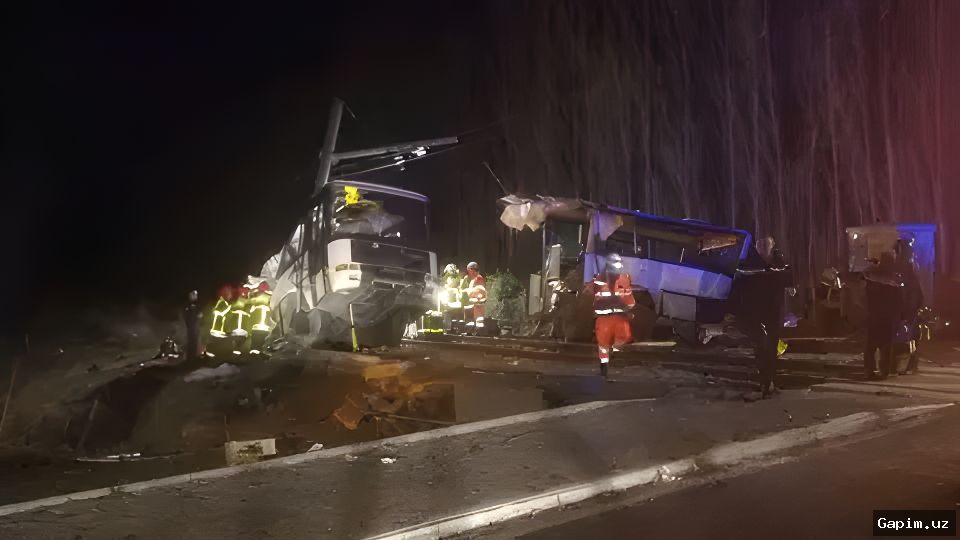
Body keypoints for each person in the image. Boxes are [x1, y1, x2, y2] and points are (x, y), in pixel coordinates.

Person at [733, 235, 793, 398]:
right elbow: (740, 282)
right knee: (762, 346)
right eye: (761, 246)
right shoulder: (750, 263)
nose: (764, 249)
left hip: (772, 311)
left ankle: (769, 382)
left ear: (771, 247)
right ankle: (765, 382)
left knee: (770, 348)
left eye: (767, 246)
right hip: (755, 311)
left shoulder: (778, 263)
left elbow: (789, 279)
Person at [588, 253, 635, 377]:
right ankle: (614, 358)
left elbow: (592, 294)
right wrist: (628, 309)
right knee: (622, 338)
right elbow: (630, 301)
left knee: (603, 344)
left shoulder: (599, 279)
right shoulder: (624, 278)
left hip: (604, 319)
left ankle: (605, 365)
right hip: (619, 318)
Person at [863, 251, 902, 379]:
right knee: (885, 345)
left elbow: (867, 295)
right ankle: (883, 370)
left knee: (871, 345)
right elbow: (898, 300)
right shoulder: (894, 278)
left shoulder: (872, 276)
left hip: (874, 314)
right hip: (887, 316)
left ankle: (869, 370)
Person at [463, 262, 487, 334]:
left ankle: (477, 336)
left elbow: (480, 291)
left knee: (478, 322)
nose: (469, 272)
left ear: (471, 270)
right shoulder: (471, 279)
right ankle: (470, 333)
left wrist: (469, 292)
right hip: (472, 306)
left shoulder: (478, 279)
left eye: (470, 270)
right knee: (471, 322)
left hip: (477, 306)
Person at [183, 290, 202, 361]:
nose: (194, 297)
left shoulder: (197, 305)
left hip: (195, 325)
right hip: (190, 326)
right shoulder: (187, 305)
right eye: (193, 295)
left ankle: (193, 356)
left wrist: (199, 317)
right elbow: (185, 315)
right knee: (190, 341)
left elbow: (199, 314)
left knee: (195, 341)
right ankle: (190, 357)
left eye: (195, 295)